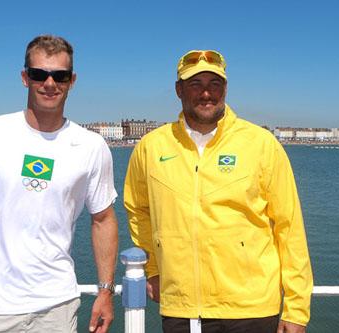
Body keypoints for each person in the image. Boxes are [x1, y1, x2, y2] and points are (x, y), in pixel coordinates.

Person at [0, 35, 118, 333]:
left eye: (60, 76)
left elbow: (103, 219)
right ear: (25, 77)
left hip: (58, 305)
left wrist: (105, 291)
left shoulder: (91, 146)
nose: (50, 83)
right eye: (39, 74)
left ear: (72, 81)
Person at [124, 50, 313, 333]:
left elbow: (290, 228)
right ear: (179, 90)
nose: (206, 93)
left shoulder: (261, 144)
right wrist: (153, 269)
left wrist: (296, 309)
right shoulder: (151, 148)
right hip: (182, 308)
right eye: (195, 84)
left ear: (225, 88)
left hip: (253, 308)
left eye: (215, 84)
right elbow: (138, 210)